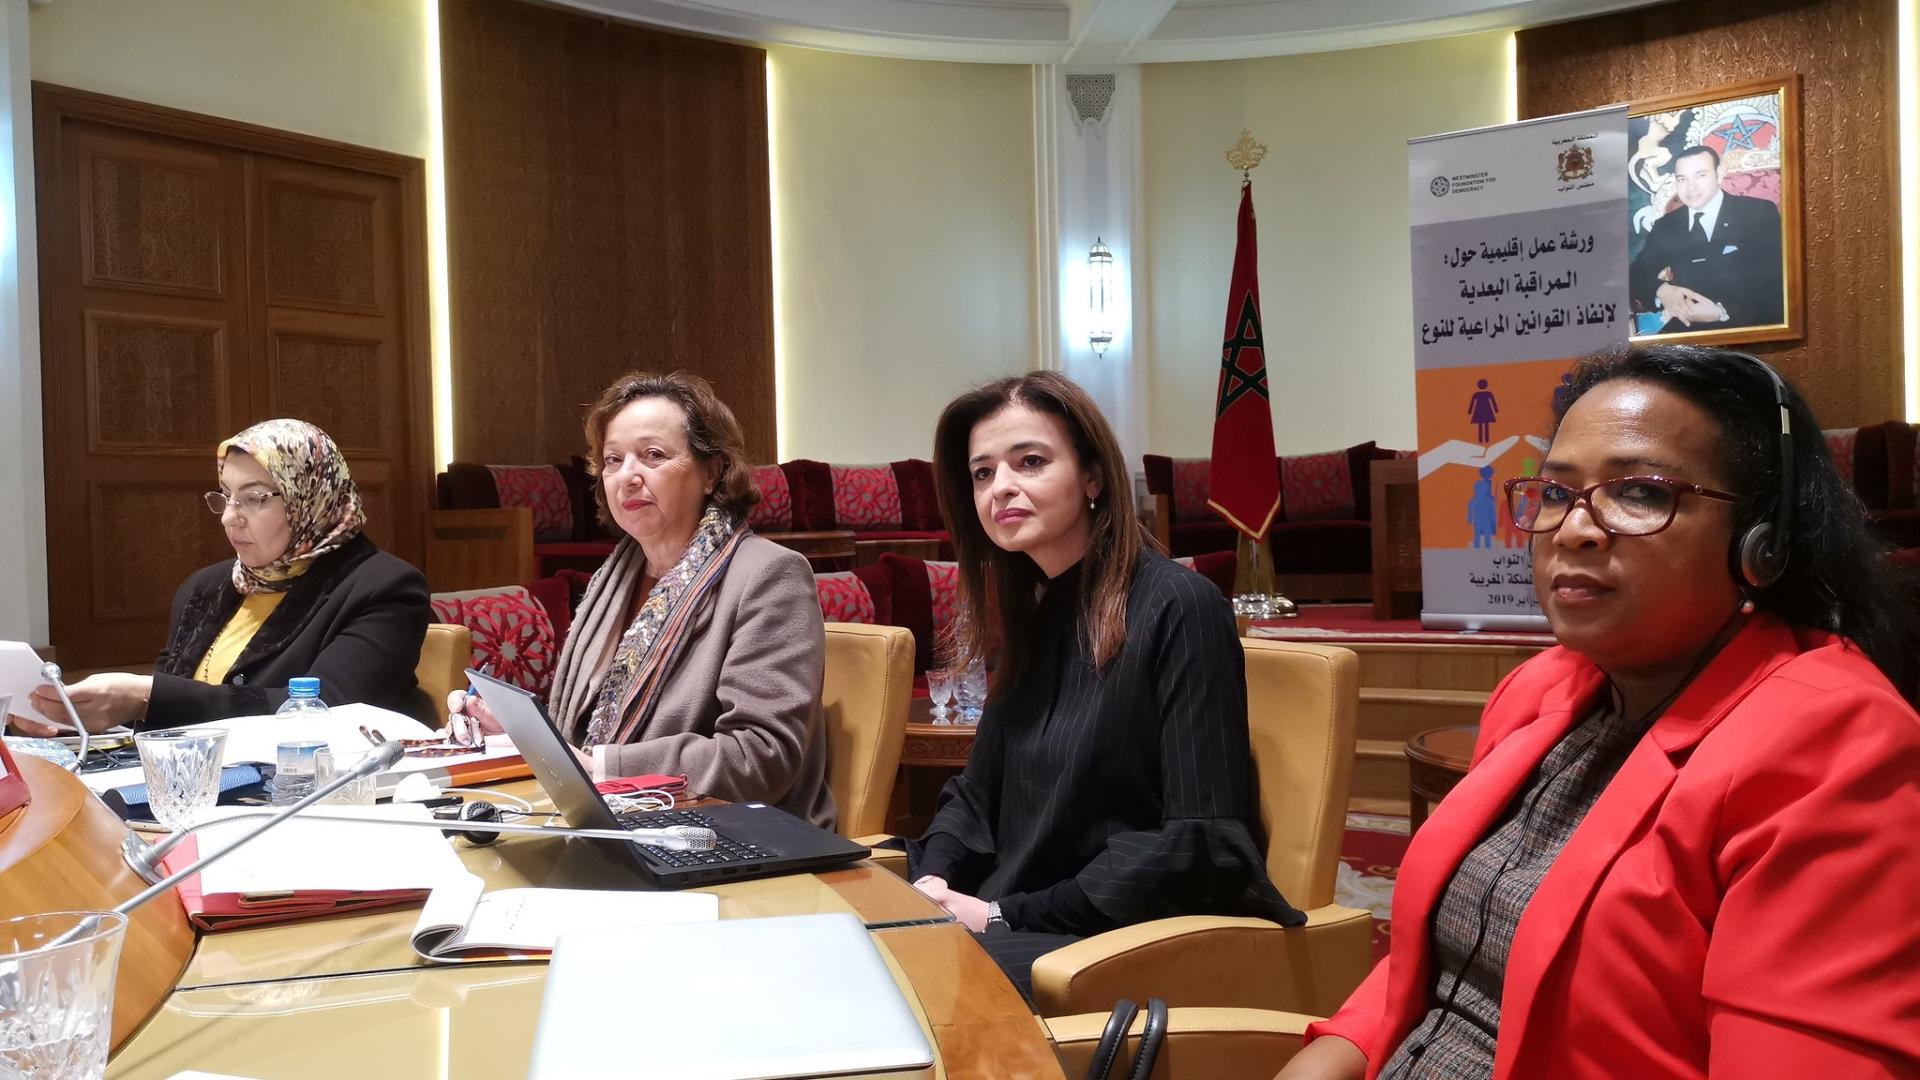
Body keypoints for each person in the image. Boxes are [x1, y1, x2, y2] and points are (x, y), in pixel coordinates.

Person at [1279, 345, 1920, 1080]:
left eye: (1641, 493)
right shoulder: (1542, 691)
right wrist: (1326, 1060)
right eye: (1555, 493)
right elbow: (1422, 971)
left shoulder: (1837, 747)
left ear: (1762, 542)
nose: (1574, 529)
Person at [904, 371, 1300, 999]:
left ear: (1092, 477)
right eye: (982, 473)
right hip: (1020, 915)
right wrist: (933, 879)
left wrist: (1002, 914)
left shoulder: (1180, 605)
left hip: (1116, 933)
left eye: (1029, 462)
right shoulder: (1038, 613)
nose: (1001, 487)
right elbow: (975, 794)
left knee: (903, 991)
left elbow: (1202, 839)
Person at [450, 371, 834, 829]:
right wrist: (510, 729)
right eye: (613, 460)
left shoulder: (770, 574)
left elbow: (760, 758)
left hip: (731, 835)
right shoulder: (613, 579)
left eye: (653, 455)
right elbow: (582, 730)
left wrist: (605, 768)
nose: (628, 476)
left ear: (712, 471)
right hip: (617, 819)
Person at [11, 419, 432, 733]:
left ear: (312, 500)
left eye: (253, 499)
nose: (230, 518)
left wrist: (143, 697)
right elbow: (161, 723)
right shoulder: (207, 588)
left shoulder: (383, 587)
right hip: (197, 788)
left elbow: (329, 712)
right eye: (226, 497)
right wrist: (69, 721)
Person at [1628, 145, 1784, 332]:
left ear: (1719, 174)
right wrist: (1660, 291)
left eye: (1700, 175)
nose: (1691, 187)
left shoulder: (1757, 213)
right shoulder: (1667, 226)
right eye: (1682, 179)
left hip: (1750, 324)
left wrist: (1722, 313)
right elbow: (1635, 274)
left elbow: (1777, 284)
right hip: (1687, 328)